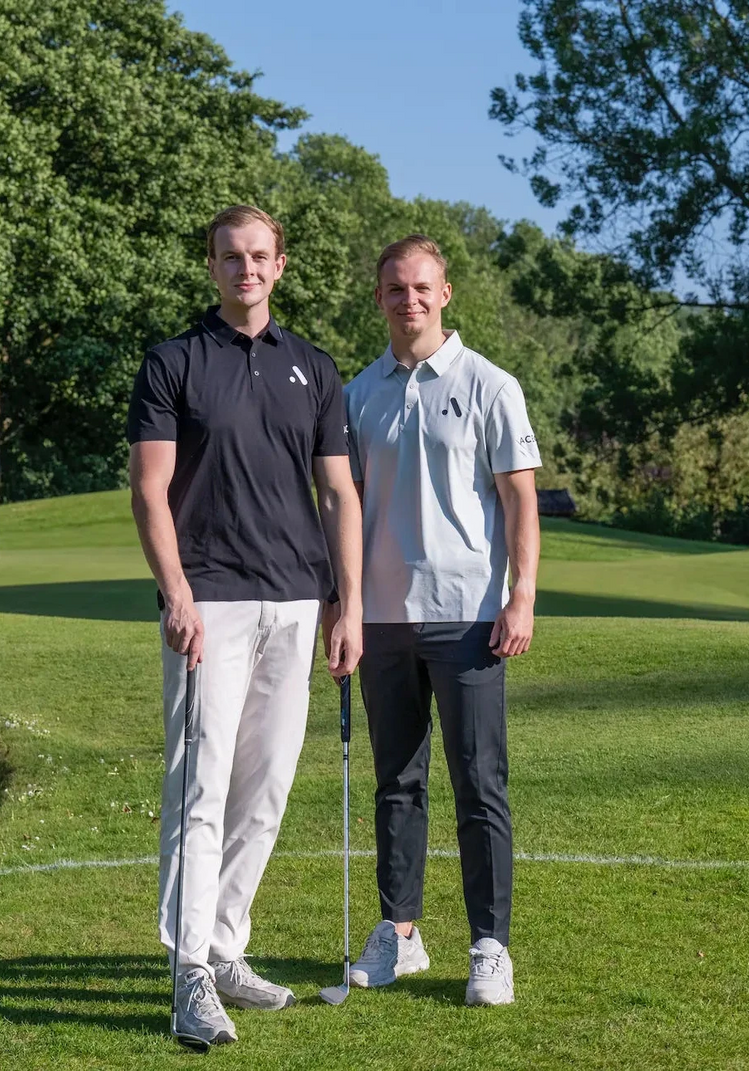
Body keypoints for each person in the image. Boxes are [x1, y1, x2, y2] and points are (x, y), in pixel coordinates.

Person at [127, 205, 363, 1047]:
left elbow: (337, 493)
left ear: (280, 264)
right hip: (211, 602)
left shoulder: (314, 367)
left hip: (297, 601)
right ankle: (189, 971)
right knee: (201, 788)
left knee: (264, 792)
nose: (246, 270)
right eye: (231, 257)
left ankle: (227, 946)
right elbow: (150, 490)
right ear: (212, 265)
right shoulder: (174, 363)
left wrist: (348, 602)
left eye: (259, 256)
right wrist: (177, 594)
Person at [343, 234, 540, 1006]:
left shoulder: (491, 384)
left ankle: (490, 946)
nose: (409, 299)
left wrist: (521, 593)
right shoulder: (360, 393)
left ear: (446, 293)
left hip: (470, 617)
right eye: (395, 288)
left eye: (422, 287)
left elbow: (520, 497)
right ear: (380, 297)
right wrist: (342, 601)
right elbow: (346, 506)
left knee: (478, 785)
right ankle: (401, 934)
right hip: (383, 619)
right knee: (398, 783)